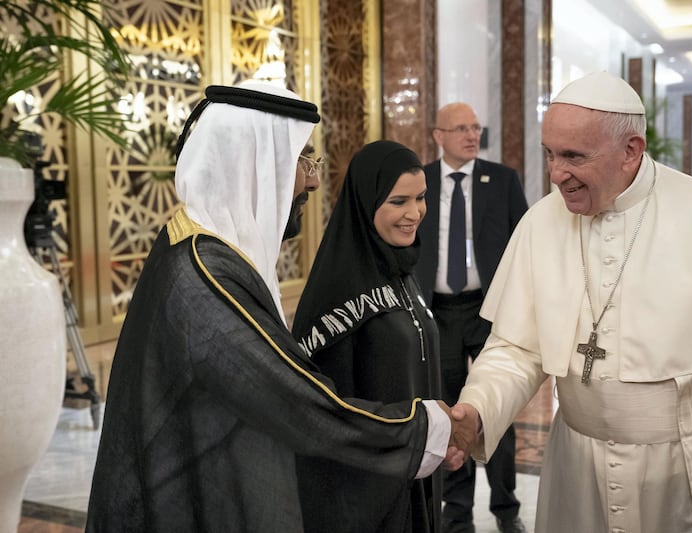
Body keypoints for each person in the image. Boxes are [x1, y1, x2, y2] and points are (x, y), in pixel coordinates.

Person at [85, 81, 456, 533]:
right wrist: (426, 429)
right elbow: (295, 399)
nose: (314, 179)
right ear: (253, 166)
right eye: (300, 161)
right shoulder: (204, 275)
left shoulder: (207, 249)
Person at [449, 71, 692, 532]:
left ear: (631, 150)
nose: (556, 175)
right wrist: (476, 410)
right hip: (575, 472)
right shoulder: (540, 223)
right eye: (550, 154)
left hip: (689, 477)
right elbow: (517, 347)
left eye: (574, 156)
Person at [292, 140, 442, 533]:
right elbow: (325, 415)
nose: (415, 213)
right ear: (366, 203)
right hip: (369, 494)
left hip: (414, 467)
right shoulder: (337, 290)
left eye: (421, 198)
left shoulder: (401, 269)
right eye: (398, 202)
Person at [416, 103, 529, 533]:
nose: (471, 135)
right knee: (451, 413)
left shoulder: (501, 180)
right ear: (437, 135)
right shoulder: (420, 180)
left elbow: (523, 244)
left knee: (495, 409)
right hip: (437, 312)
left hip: (488, 311)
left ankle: (506, 509)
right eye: (460, 128)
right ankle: (457, 511)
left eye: (475, 127)